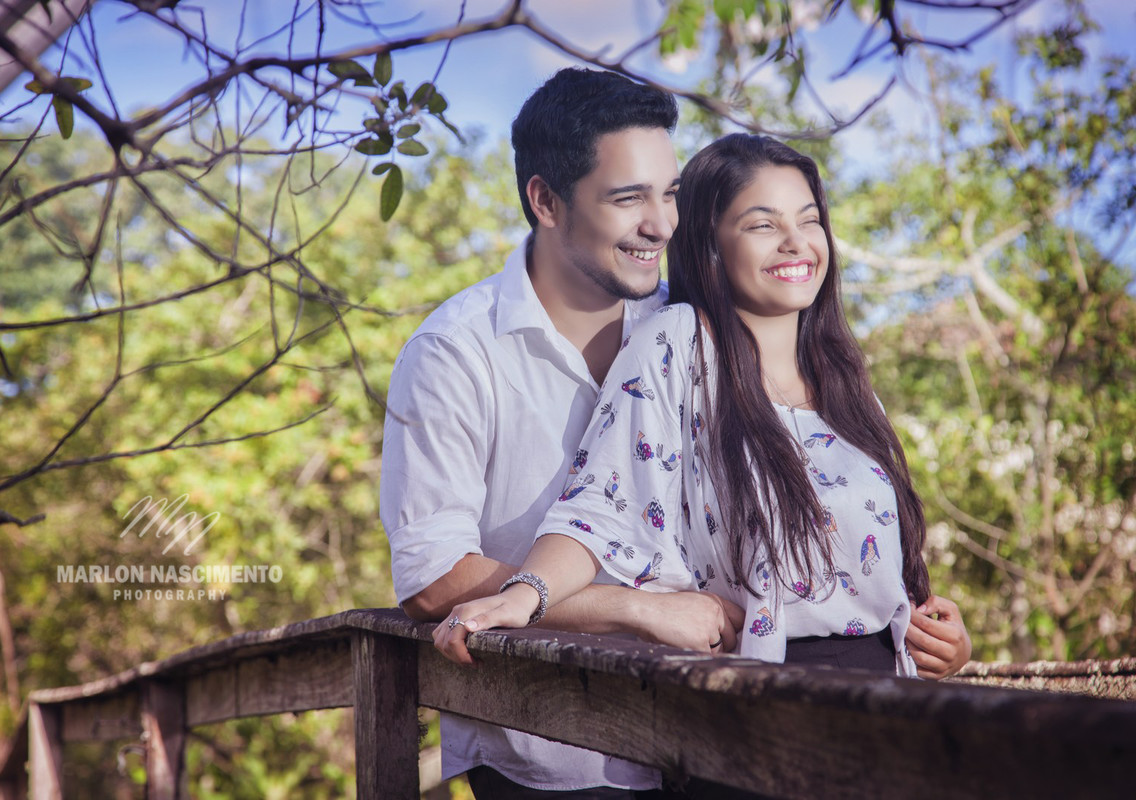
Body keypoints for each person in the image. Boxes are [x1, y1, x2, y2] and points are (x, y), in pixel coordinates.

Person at [433, 134, 971, 687]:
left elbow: (866, 560)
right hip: (761, 692)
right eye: (763, 225)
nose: (795, 242)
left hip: (889, 694)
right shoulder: (679, 345)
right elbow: (601, 505)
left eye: (808, 221)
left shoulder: (846, 381)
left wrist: (939, 639)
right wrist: (524, 596)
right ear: (712, 244)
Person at [381, 68, 746, 798]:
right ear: (545, 199)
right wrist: (637, 611)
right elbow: (432, 578)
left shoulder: (696, 327)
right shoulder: (454, 351)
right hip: (546, 755)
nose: (663, 224)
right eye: (627, 198)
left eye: (668, 193)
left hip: (710, 738)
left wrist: (903, 621)